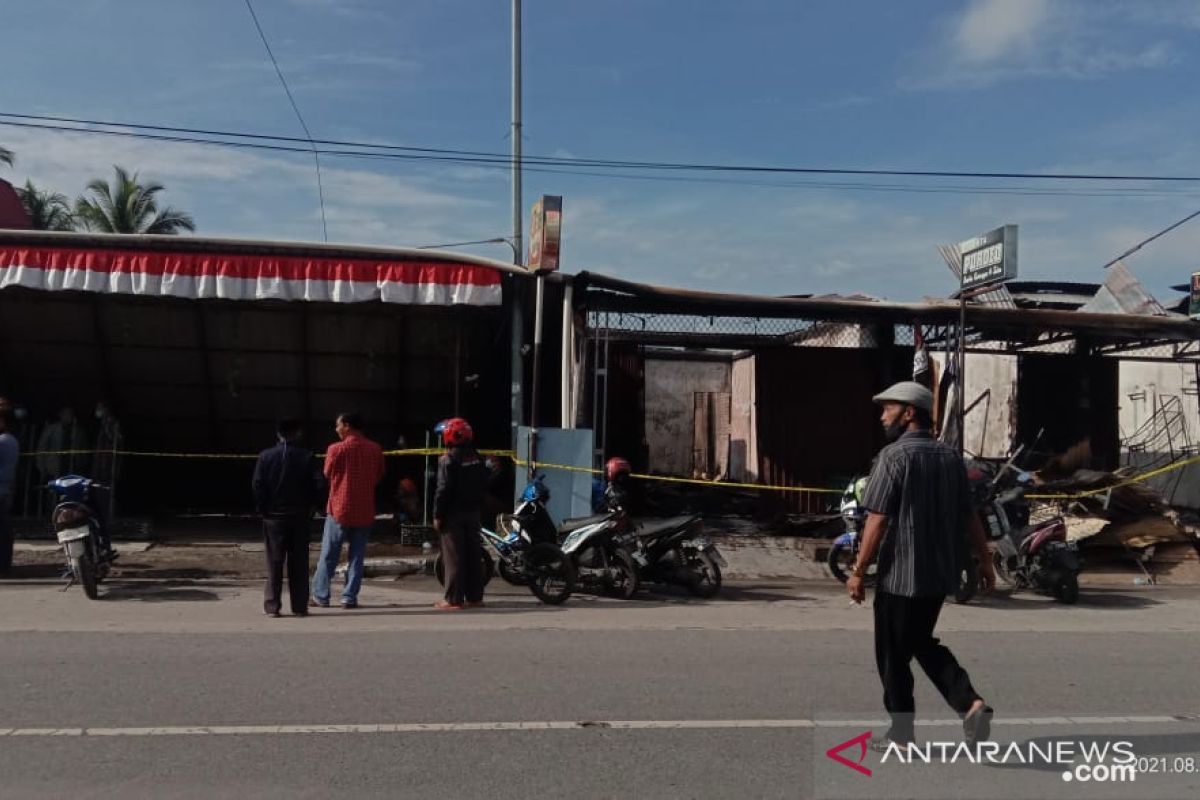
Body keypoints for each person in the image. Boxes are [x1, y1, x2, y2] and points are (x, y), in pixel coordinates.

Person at [847, 381, 996, 751]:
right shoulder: (951, 458)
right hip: (938, 575)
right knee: (919, 642)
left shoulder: (893, 457)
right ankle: (968, 703)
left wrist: (858, 569)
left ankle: (904, 732)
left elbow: (877, 519)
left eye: (888, 408)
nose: (883, 415)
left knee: (892, 654)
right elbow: (970, 516)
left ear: (909, 413)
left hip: (900, 575)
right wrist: (985, 560)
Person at [310, 412, 384, 610]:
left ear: (347, 425)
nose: (336, 429)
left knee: (329, 555)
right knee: (357, 556)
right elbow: (378, 476)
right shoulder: (375, 449)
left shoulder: (335, 449)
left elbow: (326, 474)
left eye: (338, 425)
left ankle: (321, 595)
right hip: (364, 509)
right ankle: (349, 597)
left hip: (339, 509)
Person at [252, 419, 323, 617]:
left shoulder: (265, 456)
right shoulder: (307, 456)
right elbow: (319, 484)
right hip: (299, 517)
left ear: (278, 434)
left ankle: (273, 605)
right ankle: (299, 606)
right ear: (297, 433)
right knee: (299, 562)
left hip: (273, 517)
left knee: (274, 562)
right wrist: (312, 507)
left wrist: (263, 509)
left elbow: (258, 485)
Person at [432, 417, 488, 610]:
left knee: (454, 557)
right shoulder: (477, 457)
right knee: (473, 555)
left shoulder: (447, 460)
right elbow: (483, 484)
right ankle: (475, 597)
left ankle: (453, 599)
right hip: (473, 513)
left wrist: (438, 515)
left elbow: (443, 490)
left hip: (453, 515)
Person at [36, 406, 89, 481]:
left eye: (70, 414)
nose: (68, 416)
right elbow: (42, 448)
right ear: (60, 415)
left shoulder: (78, 431)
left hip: (72, 468)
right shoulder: (51, 429)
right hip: (53, 467)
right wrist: (42, 467)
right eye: (66, 414)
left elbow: (83, 449)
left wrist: (81, 465)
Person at [0, 409, 19, 574]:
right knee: (4, 529)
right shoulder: (11, 440)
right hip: (6, 489)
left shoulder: (3, 441)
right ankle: (4, 564)